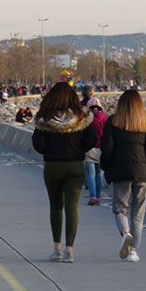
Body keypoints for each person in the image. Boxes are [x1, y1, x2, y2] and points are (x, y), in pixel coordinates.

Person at [31, 82, 96, 263]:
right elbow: (91, 139)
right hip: (75, 165)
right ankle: (70, 251)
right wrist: (78, 149)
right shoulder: (82, 115)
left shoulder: (44, 117)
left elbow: (38, 145)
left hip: (53, 166)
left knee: (56, 206)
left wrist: (50, 149)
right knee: (72, 207)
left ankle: (56, 249)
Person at [101, 89, 146, 263]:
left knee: (120, 208)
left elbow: (107, 149)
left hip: (120, 172)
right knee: (138, 214)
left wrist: (106, 168)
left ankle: (125, 233)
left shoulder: (113, 121)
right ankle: (133, 251)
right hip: (141, 173)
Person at [85, 97, 108, 206]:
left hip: (90, 148)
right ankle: (98, 196)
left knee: (90, 174)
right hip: (102, 149)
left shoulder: (87, 118)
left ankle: (93, 196)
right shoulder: (105, 118)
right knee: (99, 174)